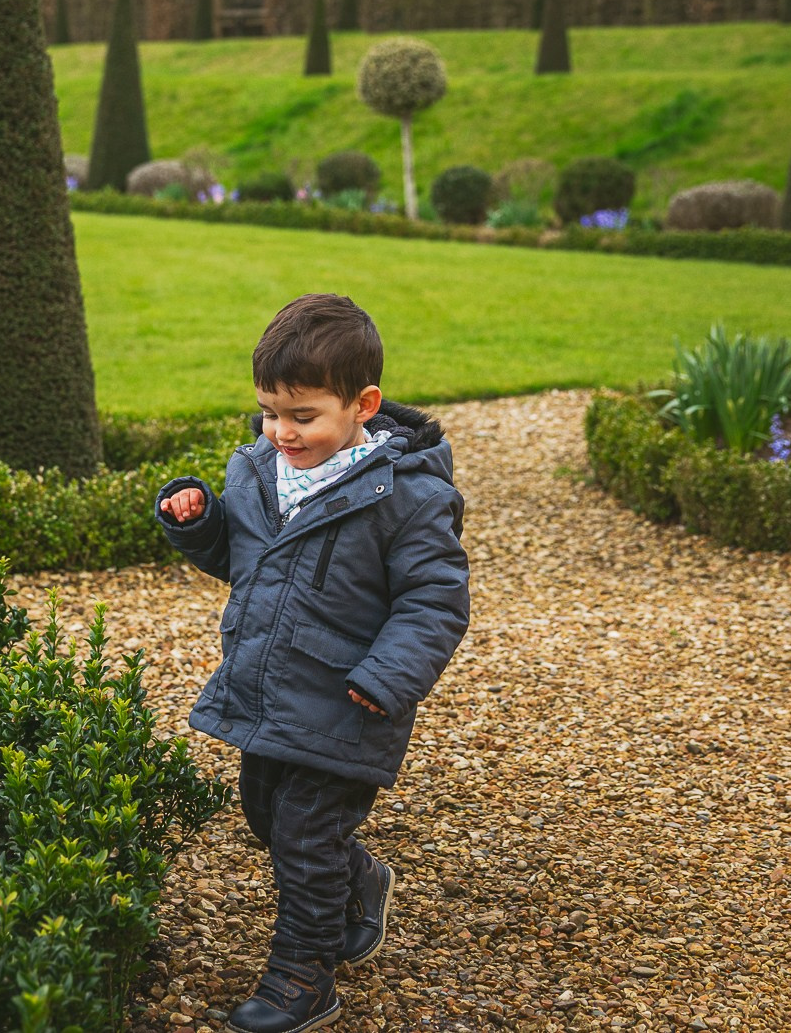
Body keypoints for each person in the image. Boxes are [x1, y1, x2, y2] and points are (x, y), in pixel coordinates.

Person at [157, 293, 470, 1033]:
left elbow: (434, 601)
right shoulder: (259, 471)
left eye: (303, 416)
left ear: (364, 405)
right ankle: (359, 878)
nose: (282, 432)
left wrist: (387, 678)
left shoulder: (407, 496)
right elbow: (247, 562)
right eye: (269, 412)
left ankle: (303, 977)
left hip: (348, 701)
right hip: (269, 687)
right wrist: (201, 523)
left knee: (302, 833)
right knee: (266, 814)